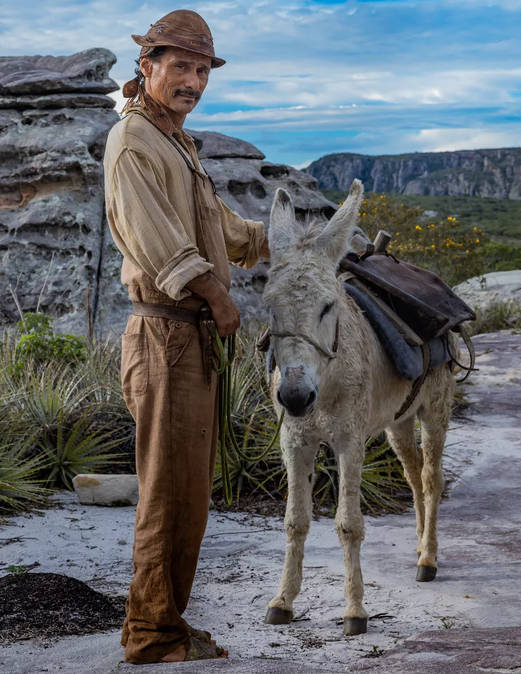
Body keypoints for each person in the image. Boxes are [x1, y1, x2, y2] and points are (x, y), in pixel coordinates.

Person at [103, 9, 269, 664]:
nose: (193, 81)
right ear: (147, 67)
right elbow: (158, 241)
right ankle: (149, 634)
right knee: (167, 494)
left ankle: (167, 621)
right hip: (165, 338)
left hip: (189, 341)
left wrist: (279, 237)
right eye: (181, 67)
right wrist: (217, 294)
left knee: (189, 495)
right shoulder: (134, 143)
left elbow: (220, 227)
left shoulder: (178, 142)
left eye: (201, 70)